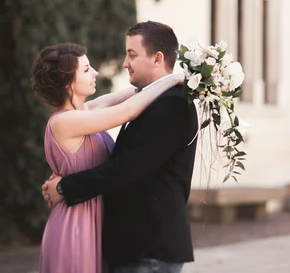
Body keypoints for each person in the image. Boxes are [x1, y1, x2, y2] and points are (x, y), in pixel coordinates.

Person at [42, 21, 200, 273]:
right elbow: (127, 109)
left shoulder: (172, 105)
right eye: (86, 69)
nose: (124, 63)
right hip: (95, 229)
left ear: (157, 58)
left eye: (132, 54)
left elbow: (125, 168)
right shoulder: (74, 117)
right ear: (68, 82)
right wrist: (173, 79)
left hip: (149, 245)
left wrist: (64, 186)